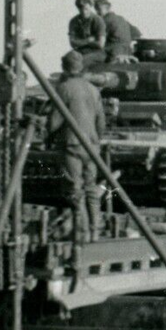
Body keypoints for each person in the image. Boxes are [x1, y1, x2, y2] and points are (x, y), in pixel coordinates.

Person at [48, 51, 105, 242]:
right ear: (81, 67)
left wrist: (47, 133)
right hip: (91, 146)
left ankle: (81, 233)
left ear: (64, 67)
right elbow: (101, 121)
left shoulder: (63, 88)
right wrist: (96, 140)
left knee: (74, 189)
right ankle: (95, 230)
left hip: (71, 144)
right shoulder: (93, 89)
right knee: (91, 188)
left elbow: (55, 121)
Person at [68, 0, 106, 68]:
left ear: (91, 7)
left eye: (86, 9)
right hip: (80, 52)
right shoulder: (74, 21)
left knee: (80, 62)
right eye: (81, 9)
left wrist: (80, 42)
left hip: (96, 53)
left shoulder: (97, 20)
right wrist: (88, 40)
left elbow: (101, 44)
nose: (84, 12)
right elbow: (72, 43)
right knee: (67, 60)